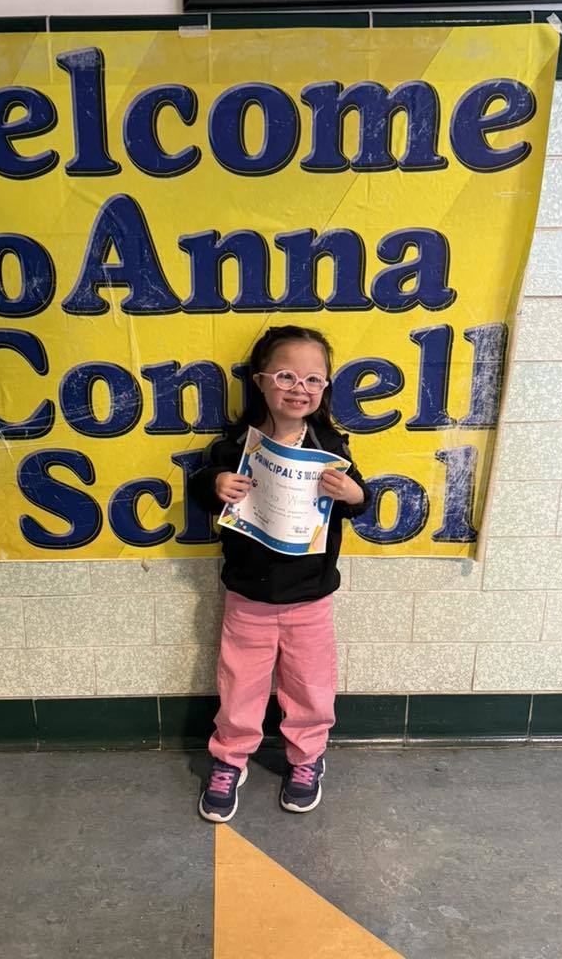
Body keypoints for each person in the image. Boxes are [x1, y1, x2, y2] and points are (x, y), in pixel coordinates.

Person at [187, 325, 372, 822]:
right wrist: (216, 483)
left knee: (310, 687)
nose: (300, 388)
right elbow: (203, 485)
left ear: (326, 389)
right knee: (239, 686)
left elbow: (360, 500)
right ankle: (230, 759)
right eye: (287, 375)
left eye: (314, 379)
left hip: (310, 598)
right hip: (248, 597)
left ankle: (307, 758)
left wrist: (353, 493)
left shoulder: (332, 446)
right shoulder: (235, 447)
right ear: (261, 380)